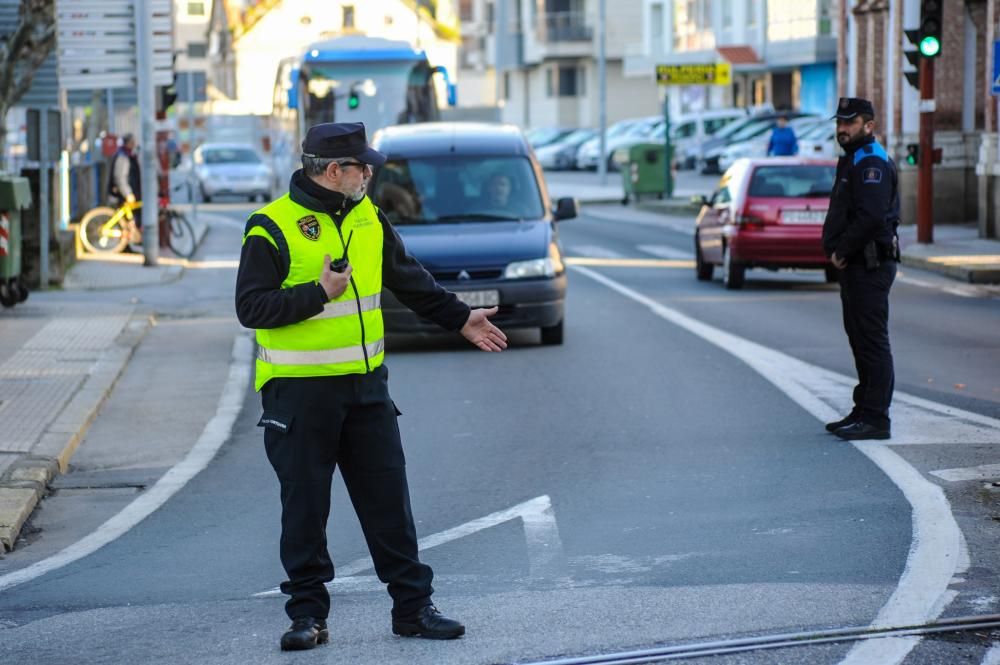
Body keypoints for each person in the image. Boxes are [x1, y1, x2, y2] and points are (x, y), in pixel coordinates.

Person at [235, 122, 508, 651]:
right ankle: (307, 617)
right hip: (298, 394)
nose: (371, 173)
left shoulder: (368, 218)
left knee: (389, 504)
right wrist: (317, 294)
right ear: (335, 171)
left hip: (365, 390)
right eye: (364, 166)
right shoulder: (270, 226)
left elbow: (409, 278)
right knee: (305, 510)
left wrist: (461, 319)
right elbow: (251, 308)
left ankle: (412, 610)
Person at [821, 98, 899, 441]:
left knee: (871, 342)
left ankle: (876, 418)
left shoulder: (872, 163)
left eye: (849, 123)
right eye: (840, 122)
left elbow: (870, 217)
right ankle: (863, 408)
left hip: (870, 263)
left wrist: (841, 250)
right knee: (859, 339)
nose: (842, 128)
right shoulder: (853, 158)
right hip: (857, 264)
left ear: (869, 126)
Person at [107, 134, 141, 237]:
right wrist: (127, 193)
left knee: (129, 218)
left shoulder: (128, 155)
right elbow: (120, 177)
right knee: (125, 219)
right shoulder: (123, 156)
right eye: (133, 142)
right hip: (123, 193)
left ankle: (128, 242)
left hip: (129, 190)